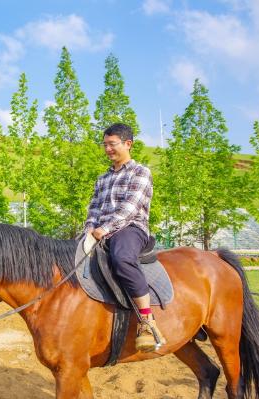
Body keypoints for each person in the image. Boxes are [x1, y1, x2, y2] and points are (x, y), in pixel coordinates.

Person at [84, 123, 166, 352]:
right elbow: (94, 208)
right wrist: (89, 229)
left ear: (127, 144)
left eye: (112, 144)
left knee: (121, 258)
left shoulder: (140, 172)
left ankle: (147, 321)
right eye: (105, 144)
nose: (108, 149)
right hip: (101, 229)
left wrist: (105, 229)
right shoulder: (102, 179)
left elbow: (129, 209)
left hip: (130, 228)